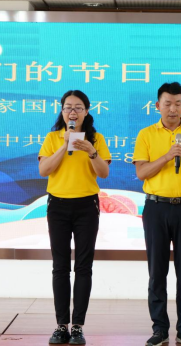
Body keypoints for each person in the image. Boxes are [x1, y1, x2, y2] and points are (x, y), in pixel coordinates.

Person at [133, 82, 181, 346]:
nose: (173, 108)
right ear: (158, 105)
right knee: (157, 271)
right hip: (156, 208)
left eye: (178, 103)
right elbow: (142, 173)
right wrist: (168, 156)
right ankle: (159, 329)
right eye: (167, 103)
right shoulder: (146, 134)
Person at [39, 90, 111, 345]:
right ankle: (61, 325)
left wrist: (91, 151)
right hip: (57, 205)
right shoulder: (52, 138)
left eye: (78, 107)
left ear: (86, 111)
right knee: (60, 267)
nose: (72, 112)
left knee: (83, 266)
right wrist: (64, 145)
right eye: (68, 107)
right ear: (62, 111)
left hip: (86, 206)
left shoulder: (96, 139)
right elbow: (44, 169)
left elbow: (103, 173)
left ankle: (78, 326)